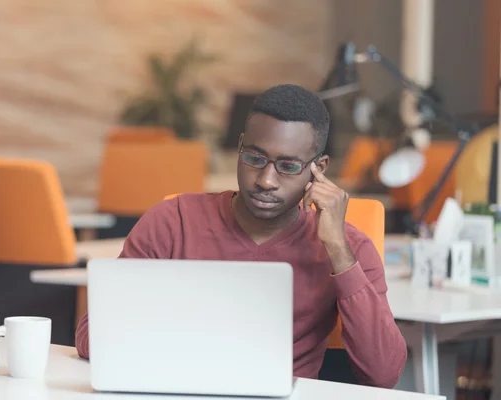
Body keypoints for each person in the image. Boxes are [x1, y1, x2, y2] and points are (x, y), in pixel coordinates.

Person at [75, 84, 407, 388]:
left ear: (318, 169)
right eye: (254, 158)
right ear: (240, 147)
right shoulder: (173, 222)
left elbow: (384, 374)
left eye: (288, 166)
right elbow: (91, 338)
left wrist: (336, 247)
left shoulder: (349, 247)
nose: (265, 180)